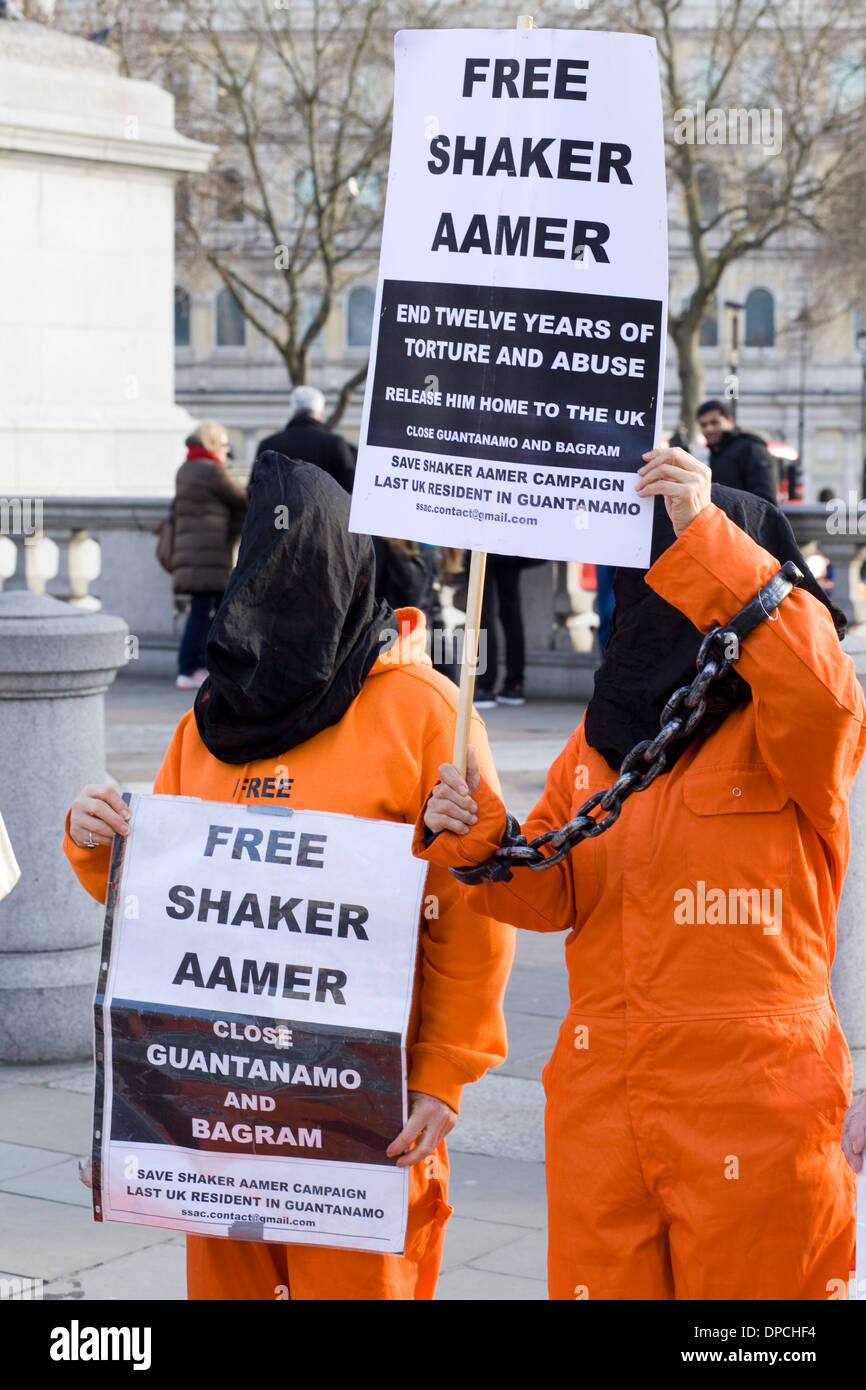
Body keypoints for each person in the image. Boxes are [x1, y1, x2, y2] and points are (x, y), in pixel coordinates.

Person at [417, 446, 865, 1301]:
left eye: (679, 568)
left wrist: (709, 534)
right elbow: (552, 893)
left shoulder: (792, 734)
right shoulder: (597, 744)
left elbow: (823, 692)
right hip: (603, 1103)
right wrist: (479, 835)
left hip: (757, 1099)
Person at [63, 454, 513, 1302]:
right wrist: (101, 846)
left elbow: (470, 910)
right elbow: (175, 905)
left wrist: (445, 1074)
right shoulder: (212, 722)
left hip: (363, 1105)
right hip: (217, 1102)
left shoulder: (429, 716)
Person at [172, 421, 248, 691]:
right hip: (209, 555)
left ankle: (196, 667)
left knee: (203, 610)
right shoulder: (211, 470)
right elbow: (241, 498)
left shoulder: (187, 468)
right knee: (204, 612)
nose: (227, 452)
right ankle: (189, 668)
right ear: (214, 444)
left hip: (195, 555)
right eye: (226, 445)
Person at [252, 386, 355, 493]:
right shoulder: (335, 444)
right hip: (326, 509)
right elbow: (350, 489)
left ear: (293, 412)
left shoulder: (268, 445)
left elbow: (255, 490)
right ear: (320, 413)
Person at [474, 554, 541, 708]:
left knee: (480, 612)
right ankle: (514, 684)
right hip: (507, 542)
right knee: (511, 611)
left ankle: (484, 685)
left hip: (481, 541)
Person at [696, 399, 776, 503]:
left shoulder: (751, 448)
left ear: (730, 421)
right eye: (703, 425)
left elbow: (765, 499)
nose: (709, 429)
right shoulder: (713, 453)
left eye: (714, 422)